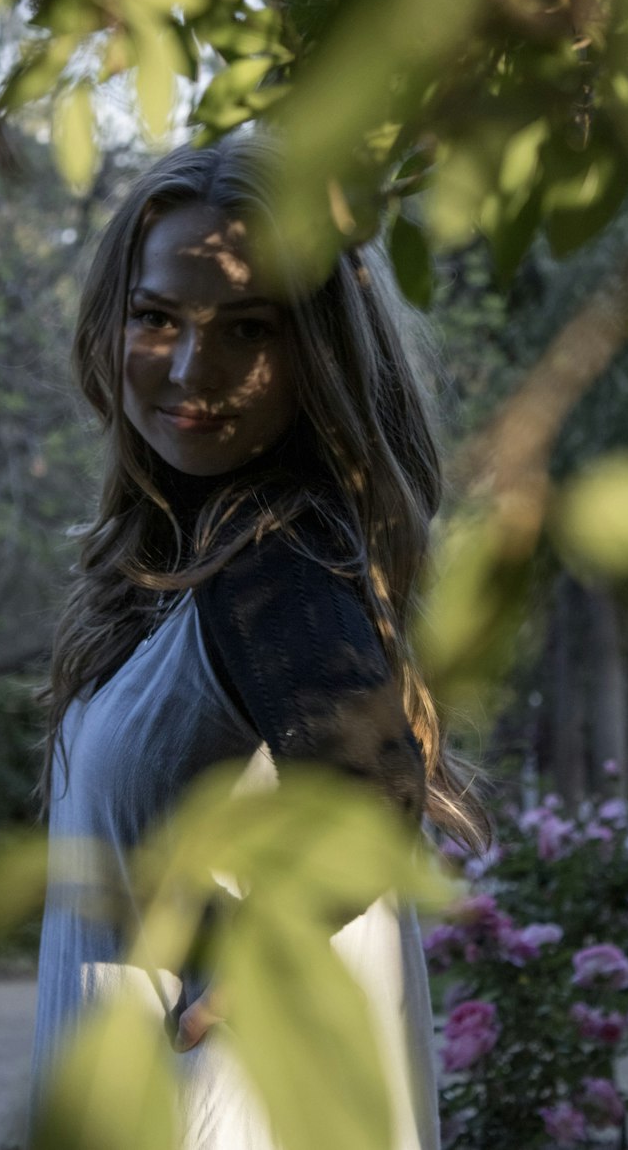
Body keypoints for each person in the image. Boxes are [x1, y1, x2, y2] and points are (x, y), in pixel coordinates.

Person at [31, 133, 489, 1149]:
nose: (195, 367)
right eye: (157, 317)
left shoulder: (275, 554)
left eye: (248, 328)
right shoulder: (207, 557)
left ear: (315, 351)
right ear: (112, 325)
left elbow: (367, 790)